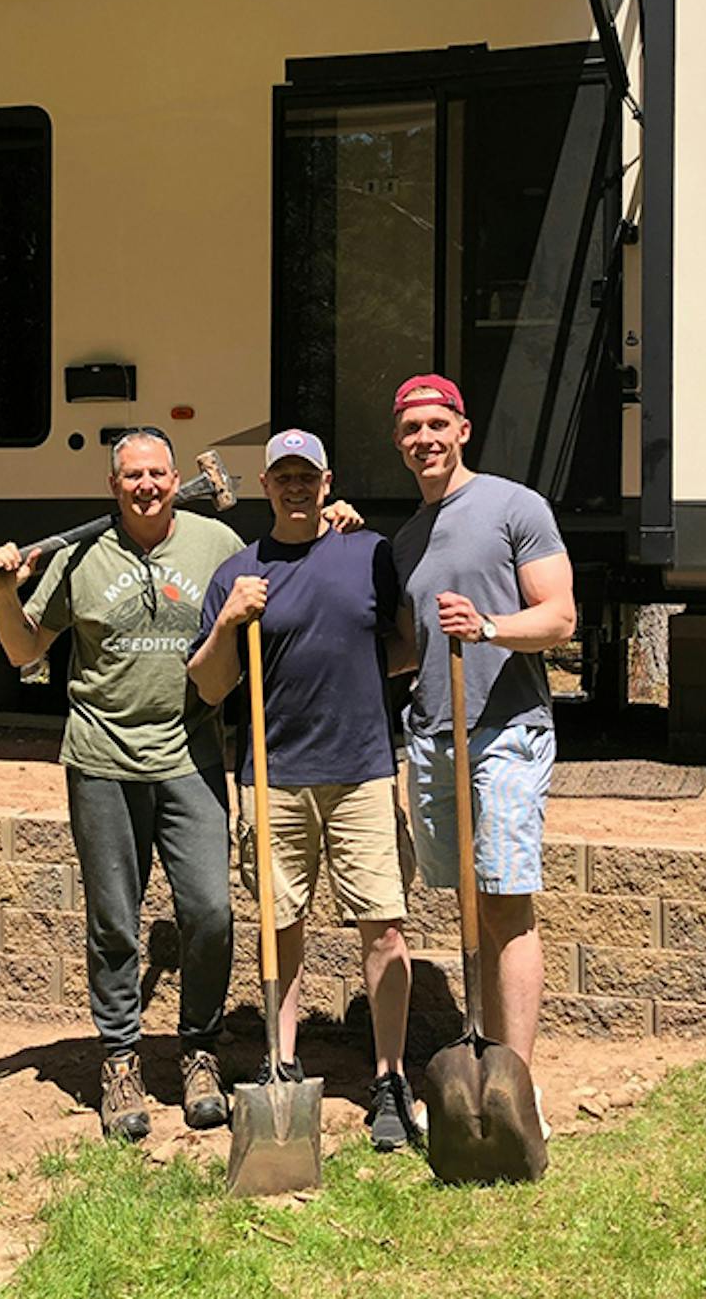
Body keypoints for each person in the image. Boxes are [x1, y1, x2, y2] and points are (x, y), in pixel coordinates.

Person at [0, 428, 241, 1143]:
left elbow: (276, 579)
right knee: (113, 921)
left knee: (211, 911)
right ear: (113, 484)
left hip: (191, 755)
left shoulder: (215, 544)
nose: (148, 485)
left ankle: (199, 1050)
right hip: (101, 757)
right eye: (133, 475)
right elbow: (24, 647)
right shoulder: (79, 555)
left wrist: (334, 520)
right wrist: (7, 590)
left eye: (158, 472)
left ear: (177, 476)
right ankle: (121, 1058)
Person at [187, 430, 421, 1151]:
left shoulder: (369, 552)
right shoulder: (238, 572)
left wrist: (345, 676)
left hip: (363, 768)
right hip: (273, 775)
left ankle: (389, 1077)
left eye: (307, 475)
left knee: (382, 925)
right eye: (283, 475)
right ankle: (281, 1063)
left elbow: (406, 644)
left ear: (328, 481)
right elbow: (208, 682)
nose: (296, 486)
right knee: (279, 927)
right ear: (265, 483)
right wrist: (229, 621)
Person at [388, 374, 576, 1123]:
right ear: (398, 441)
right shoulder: (406, 538)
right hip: (434, 733)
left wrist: (490, 627)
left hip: (504, 729)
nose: (425, 439)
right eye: (411, 429)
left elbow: (559, 616)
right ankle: (481, 1062)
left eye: (438, 424)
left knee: (505, 901)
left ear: (463, 429)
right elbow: (407, 647)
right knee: (465, 902)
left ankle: (513, 1087)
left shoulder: (513, 506)